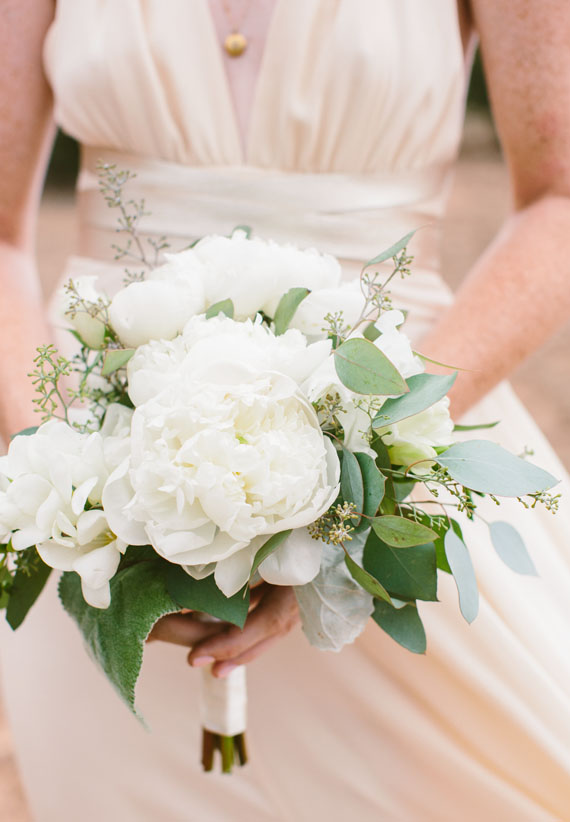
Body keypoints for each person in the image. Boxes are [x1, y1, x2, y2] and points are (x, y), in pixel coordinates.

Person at [1, 1, 569, 819]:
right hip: (101, 477)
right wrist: (75, 499)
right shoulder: (87, 507)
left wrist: (360, 478)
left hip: (404, 476)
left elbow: (558, 201)